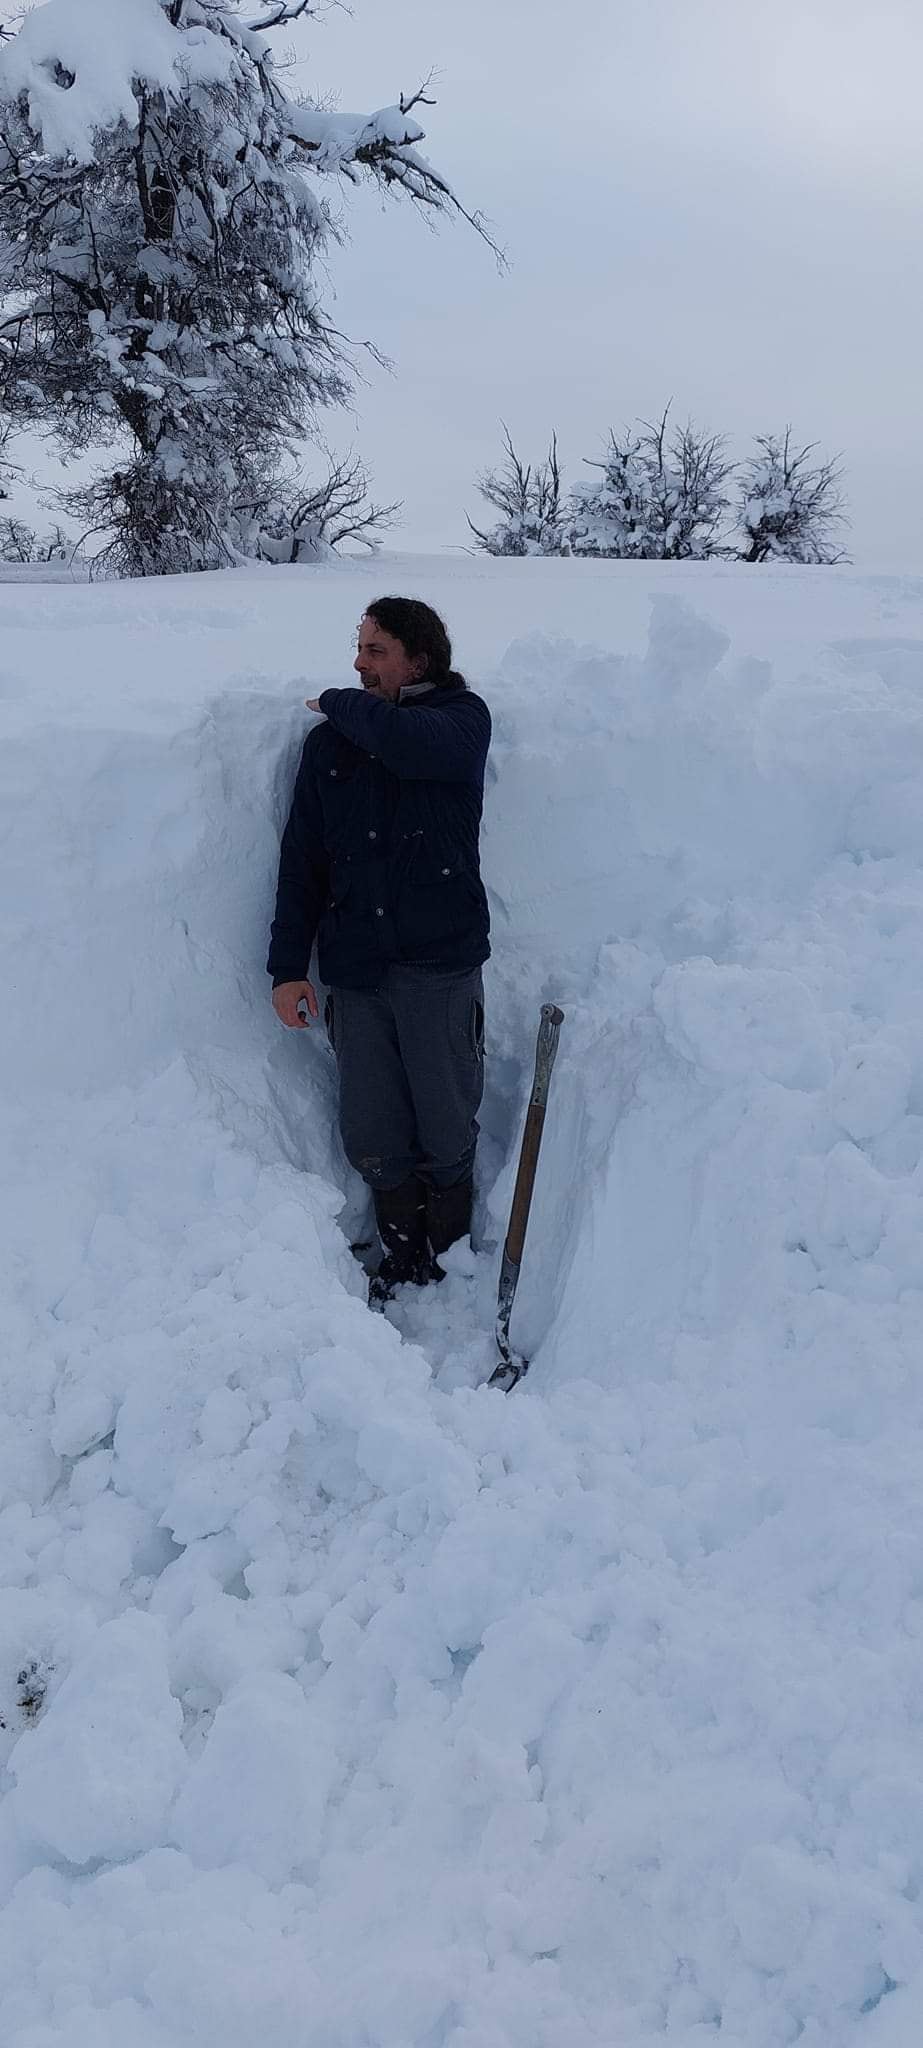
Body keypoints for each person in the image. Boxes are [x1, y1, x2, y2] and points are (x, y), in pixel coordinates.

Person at [268, 597, 491, 1305]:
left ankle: (450, 1258)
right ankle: (399, 1256)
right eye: (356, 650)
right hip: (357, 970)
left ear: (417, 660)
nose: (359, 664)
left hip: (439, 965)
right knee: (371, 1127)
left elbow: (407, 743)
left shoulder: (459, 721)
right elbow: (302, 861)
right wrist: (285, 968)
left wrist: (337, 699)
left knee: (446, 1121)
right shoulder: (328, 747)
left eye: (375, 651)